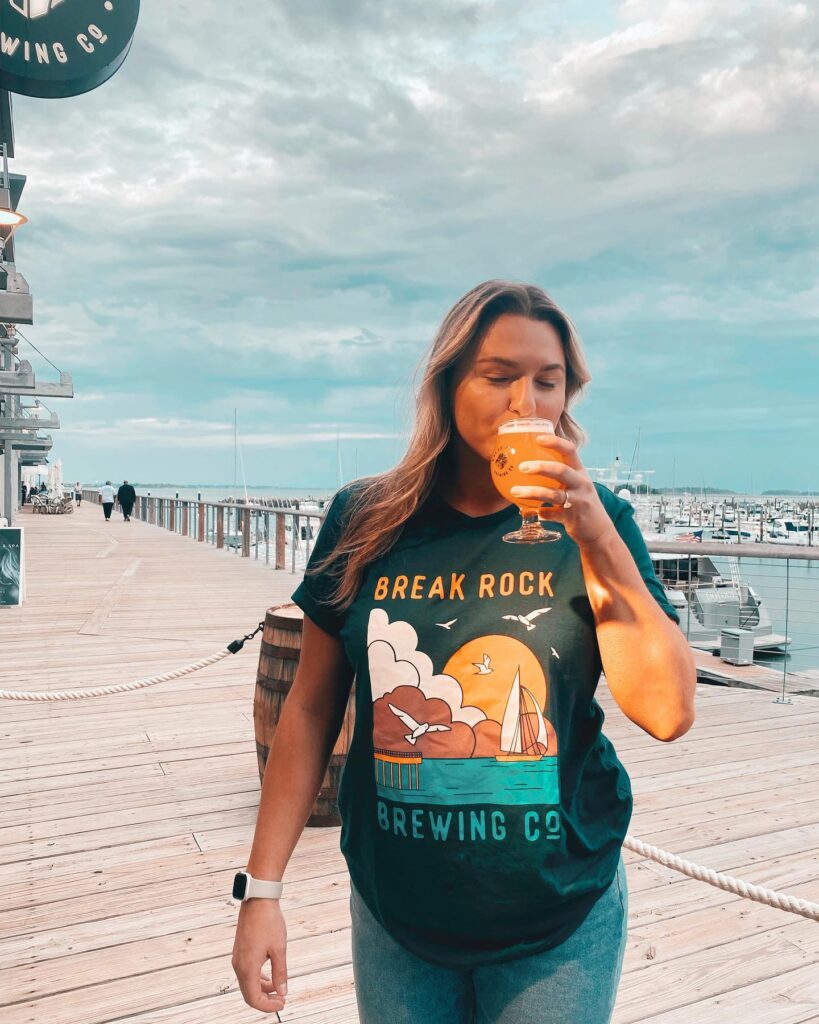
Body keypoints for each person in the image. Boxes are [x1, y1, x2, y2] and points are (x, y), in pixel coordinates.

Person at [230, 281, 697, 1023]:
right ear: (446, 385)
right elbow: (311, 710)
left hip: (558, 916)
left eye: (546, 381)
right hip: (399, 917)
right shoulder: (365, 518)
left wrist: (596, 538)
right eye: (497, 376)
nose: (524, 404)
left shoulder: (599, 522)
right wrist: (262, 891)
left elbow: (667, 712)